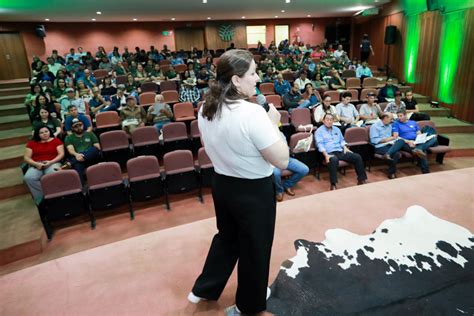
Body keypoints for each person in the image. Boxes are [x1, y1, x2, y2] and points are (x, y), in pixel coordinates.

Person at [189, 49, 289, 315]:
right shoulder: (253, 113)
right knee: (255, 247)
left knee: (228, 238)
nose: (257, 78)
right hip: (253, 191)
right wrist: (274, 124)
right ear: (235, 80)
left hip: (222, 184)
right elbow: (281, 160)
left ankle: (205, 289)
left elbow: (206, 144)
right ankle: (249, 305)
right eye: (253, 73)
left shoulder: (205, 108)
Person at [315, 113, 367, 190]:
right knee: (334, 160)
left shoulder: (337, 129)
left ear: (333, 121)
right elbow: (320, 145)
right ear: (323, 121)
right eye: (327, 119)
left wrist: (345, 147)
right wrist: (326, 155)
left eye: (331, 120)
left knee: (357, 157)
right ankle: (333, 184)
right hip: (328, 152)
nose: (329, 121)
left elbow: (342, 140)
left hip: (339, 150)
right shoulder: (319, 131)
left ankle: (361, 179)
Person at [23, 125, 65, 204]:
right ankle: (42, 199)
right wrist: (35, 164)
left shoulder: (56, 141)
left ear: (50, 132)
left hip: (53, 162)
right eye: (41, 133)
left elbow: (61, 154)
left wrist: (51, 162)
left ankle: (54, 197)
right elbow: (26, 158)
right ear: (37, 134)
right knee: (28, 178)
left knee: (52, 175)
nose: (45, 134)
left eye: (46, 131)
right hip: (36, 164)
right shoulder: (32, 143)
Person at [392, 109, 438, 174]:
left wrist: (420, 139)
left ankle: (418, 149)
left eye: (401, 116)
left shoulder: (413, 122)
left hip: (416, 141)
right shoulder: (396, 124)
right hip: (405, 142)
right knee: (422, 151)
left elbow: (418, 133)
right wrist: (408, 141)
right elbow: (396, 137)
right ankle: (426, 172)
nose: (399, 118)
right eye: (398, 116)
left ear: (405, 115)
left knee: (434, 138)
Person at [63, 118, 101, 183]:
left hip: (91, 157)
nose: (78, 127)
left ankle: (71, 162)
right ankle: (82, 187)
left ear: (83, 125)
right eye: (75, 126)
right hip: (78, 158)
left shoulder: (90, 134)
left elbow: (97, 147)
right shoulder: (69, 137)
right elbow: (70, 150)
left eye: (80, 125)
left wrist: (83, 154)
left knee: (95, 149)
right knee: (77, 165)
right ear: (72, 128)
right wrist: (77, 155)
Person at [273, 133, 309, 202]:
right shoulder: (264, 135)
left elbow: (286, 147)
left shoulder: (280, 133)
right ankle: (279, 190)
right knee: (276, 173)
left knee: (304, 169)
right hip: (273, 161)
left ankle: (287, 185)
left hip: (285, 158)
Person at [369, 113, 405, 179]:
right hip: (380, 146)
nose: (392, 121)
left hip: (390, 144)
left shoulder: (389, 125)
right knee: (396, 154)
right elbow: (374, 140)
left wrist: (394, 138)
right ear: (385, 118)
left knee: (401, 141)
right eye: (391, 119)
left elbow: (394, 135)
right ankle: (392, 173)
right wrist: (388, 139)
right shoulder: (375, 126)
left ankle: (387, 154)